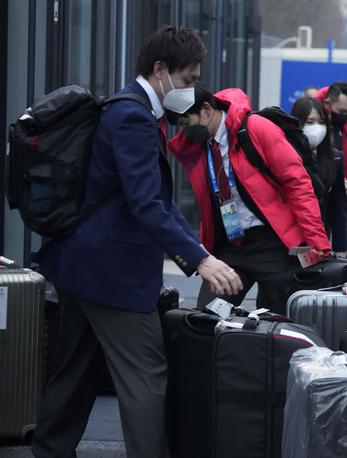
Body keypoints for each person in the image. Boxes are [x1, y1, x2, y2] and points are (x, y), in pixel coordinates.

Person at [32, 27, 242, 458]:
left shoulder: (132, 111)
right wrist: (200, 259)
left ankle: (50, 449)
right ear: (160, 70)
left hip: (84, 263)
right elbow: (147, 204)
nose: (189, 90)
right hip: (112, 273)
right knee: (146, 372)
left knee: (76, 369)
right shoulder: (132, 117)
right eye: (186, 79)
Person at [168, 82, 331, 312]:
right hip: (232, 243)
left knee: (278, 323)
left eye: (187, 123)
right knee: (209, 316)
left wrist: (317, 242)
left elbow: (298, 183)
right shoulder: (201, 147)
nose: (185, 132)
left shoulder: (255, 128)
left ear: (206, 110)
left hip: (273, 244)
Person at [291, 96, 347, 257]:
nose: (316, 127)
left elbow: (338, 206)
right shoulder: (286, 156)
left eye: (321, 122)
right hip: (289, 238)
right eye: (310, 122)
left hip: (321, 239)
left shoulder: (335, 158)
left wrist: (340, 246)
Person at [314, 82, 347, 197]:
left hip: (341, 198)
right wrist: (336, 183)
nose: (345, 116)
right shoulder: (312, 131)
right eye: (342, 111)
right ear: (327, 104)